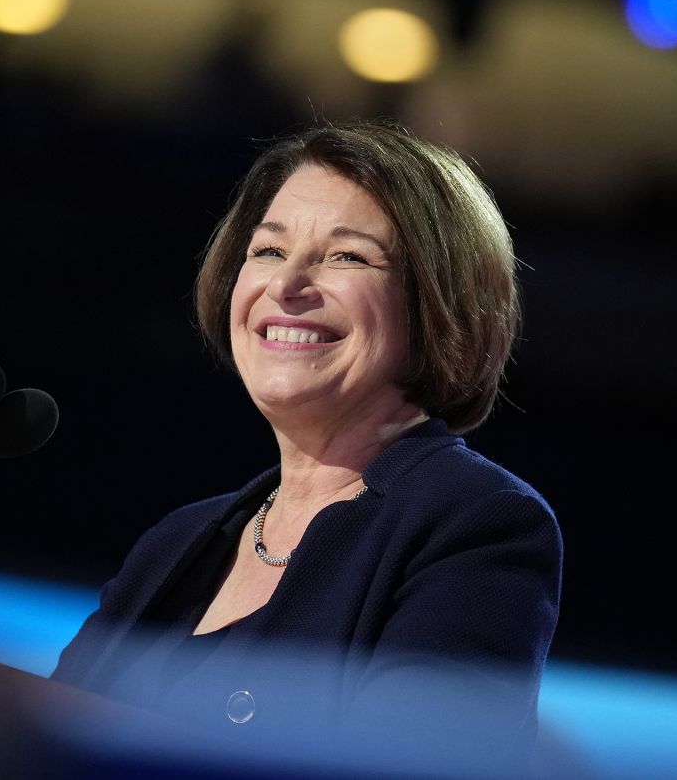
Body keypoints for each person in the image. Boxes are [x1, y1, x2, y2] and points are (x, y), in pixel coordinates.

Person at [51, 119, 561, 773]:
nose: (287, 286)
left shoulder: (478, 524)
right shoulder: (175, 544)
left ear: (438, 302)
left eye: (347, 255)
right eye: (267, 251)